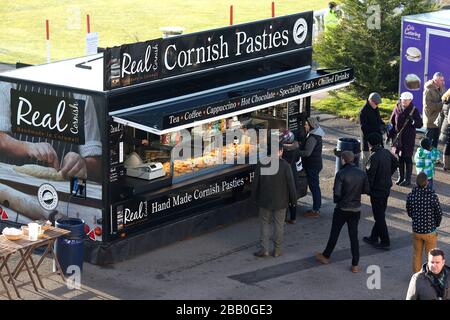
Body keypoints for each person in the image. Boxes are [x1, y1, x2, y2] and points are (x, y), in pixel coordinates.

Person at [0, 81, 102, 182]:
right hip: (14, 181)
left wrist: (82, 164)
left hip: (64, 188)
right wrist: (27, 147)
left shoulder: (80, 92)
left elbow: (97, 164)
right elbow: (1, 139)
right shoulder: (10, 81)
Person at [315, 151, 370, 273]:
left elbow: (337, 193)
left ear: (343, 160)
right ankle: (355, 264)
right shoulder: (361, 173)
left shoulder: (341, 173)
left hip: (342, 208)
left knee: (335, 233)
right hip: (355, 209)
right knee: (353, 236)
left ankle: (326, 256)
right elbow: (366, 189)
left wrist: (340, 200)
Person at [251, 142, 297, 258]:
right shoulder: (285, 165)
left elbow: (255, 183)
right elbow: (291, 185)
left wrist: (254, 198)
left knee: (264, 224)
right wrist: (293, 201)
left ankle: (264, 250)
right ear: (281, 151)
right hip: (281, 201)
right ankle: (277, 250)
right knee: (279, 225)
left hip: (264, 200)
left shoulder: (261, 163)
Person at [363, 132, 398, 250]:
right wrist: (388, 174)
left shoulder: (373, 157)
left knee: (379, 217)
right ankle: (373, 237)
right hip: (386, 187)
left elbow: (370, 176)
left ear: (369, 143)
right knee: (380, 214)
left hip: (377, 190)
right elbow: (396, 163)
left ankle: (385, 241)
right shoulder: (386, 152)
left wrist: (368, 189)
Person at [406, 173, 442, 274]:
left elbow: (409, 211)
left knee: (417, 254)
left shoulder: (411, 196)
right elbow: (439, 213)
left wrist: (415, 218)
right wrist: (436, 224)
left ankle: (416, 276)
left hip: (417, 230)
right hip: (430, 230)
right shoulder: (432, 196)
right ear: (427, 182)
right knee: (431, 256)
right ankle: (431, 276)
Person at [387, 91, 423, 187]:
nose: (404, 101)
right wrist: (389, 135)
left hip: (408, 138)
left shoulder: (413, 110)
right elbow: (392, 122)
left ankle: (408, 179)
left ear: (410, 100)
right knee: (399, 158)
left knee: (407, 157)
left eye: (406, 100)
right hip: (398, 137)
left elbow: (420, 124)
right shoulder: (397, 108)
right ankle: (401, 177)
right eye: (403, 99)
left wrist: (413, 121)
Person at [298, 117, 325, 218]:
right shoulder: (315, 135)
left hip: (312, 166)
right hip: (315, 164)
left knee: (314, 187)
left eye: (306, 124)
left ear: (311, 126)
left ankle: (316, 210)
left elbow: (307, 153)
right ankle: (316, 208)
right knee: (315, 186)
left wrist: (296, 151)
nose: (305, 126)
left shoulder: (313, 138)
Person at [359, 92, 385, 169]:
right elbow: (364, 128)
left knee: (376, 162)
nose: (377, 105)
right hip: (368, 141)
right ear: (370, 100)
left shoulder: (375, 108)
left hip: (377, 139)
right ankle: (364, 176)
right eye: (376, 103)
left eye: (378, 104)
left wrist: (383, 125)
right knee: (366, 161)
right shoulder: (363, 111)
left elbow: (379, 120)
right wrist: (376, 131)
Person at [280, 130, 301, 224]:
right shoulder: (296, 148)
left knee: (284, 197)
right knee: (293, 197)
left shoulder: (281, 150)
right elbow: (298, 161)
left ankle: (283, 218)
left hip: (283, 174)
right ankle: (293, 218)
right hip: (293, 173)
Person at [423, 72, 446, 149]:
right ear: (435, 80)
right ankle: (424, 159)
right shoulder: (428, 90)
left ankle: (433, 159)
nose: (443, 82)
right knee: (427, 143)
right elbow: (428, 105)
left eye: (443, 80)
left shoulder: (442, 87)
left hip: (439, 120)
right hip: (430, 120)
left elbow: (445, 99)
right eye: (441, 80)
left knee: (435, 143)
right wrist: (442, 103)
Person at [439, 89, 450, 170]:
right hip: (449, 127)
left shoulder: (446, 100)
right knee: (448, 145)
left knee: (447, 145)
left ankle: (446, 165)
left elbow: (442, 115)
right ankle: (447, 165)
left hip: (445, 126)